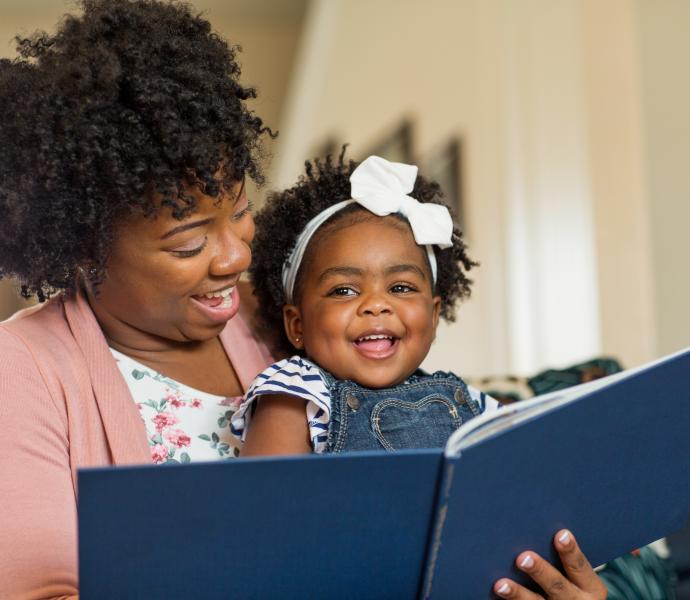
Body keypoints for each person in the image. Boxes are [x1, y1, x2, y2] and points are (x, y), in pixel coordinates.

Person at [232, 152, 608, 600]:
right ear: (296, 324)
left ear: (433, 315)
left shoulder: (468, 403)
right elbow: (259, 537)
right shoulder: (296, 392)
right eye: (344, 290)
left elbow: (529, 499)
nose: (376, 304)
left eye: (402, 287)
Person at [0, 0, 276, 597]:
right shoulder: (21, 370)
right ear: (84, 247)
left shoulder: (280, 319)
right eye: (187, 243)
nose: (234, 257)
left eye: (241, 211)